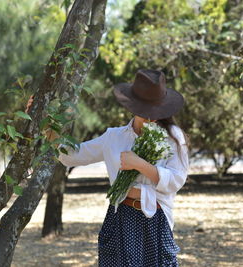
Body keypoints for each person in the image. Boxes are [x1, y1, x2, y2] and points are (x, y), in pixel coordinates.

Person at [26, 69, 190, 267]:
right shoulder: (114, 137)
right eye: (145, 108)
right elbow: (72, 156)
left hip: (155, 220)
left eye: (156, 107)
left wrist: (140, 164)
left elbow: (176, 181)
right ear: (133, 106)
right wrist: (44, 124)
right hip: (121, 217)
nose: (151, 115)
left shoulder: (173, 137)